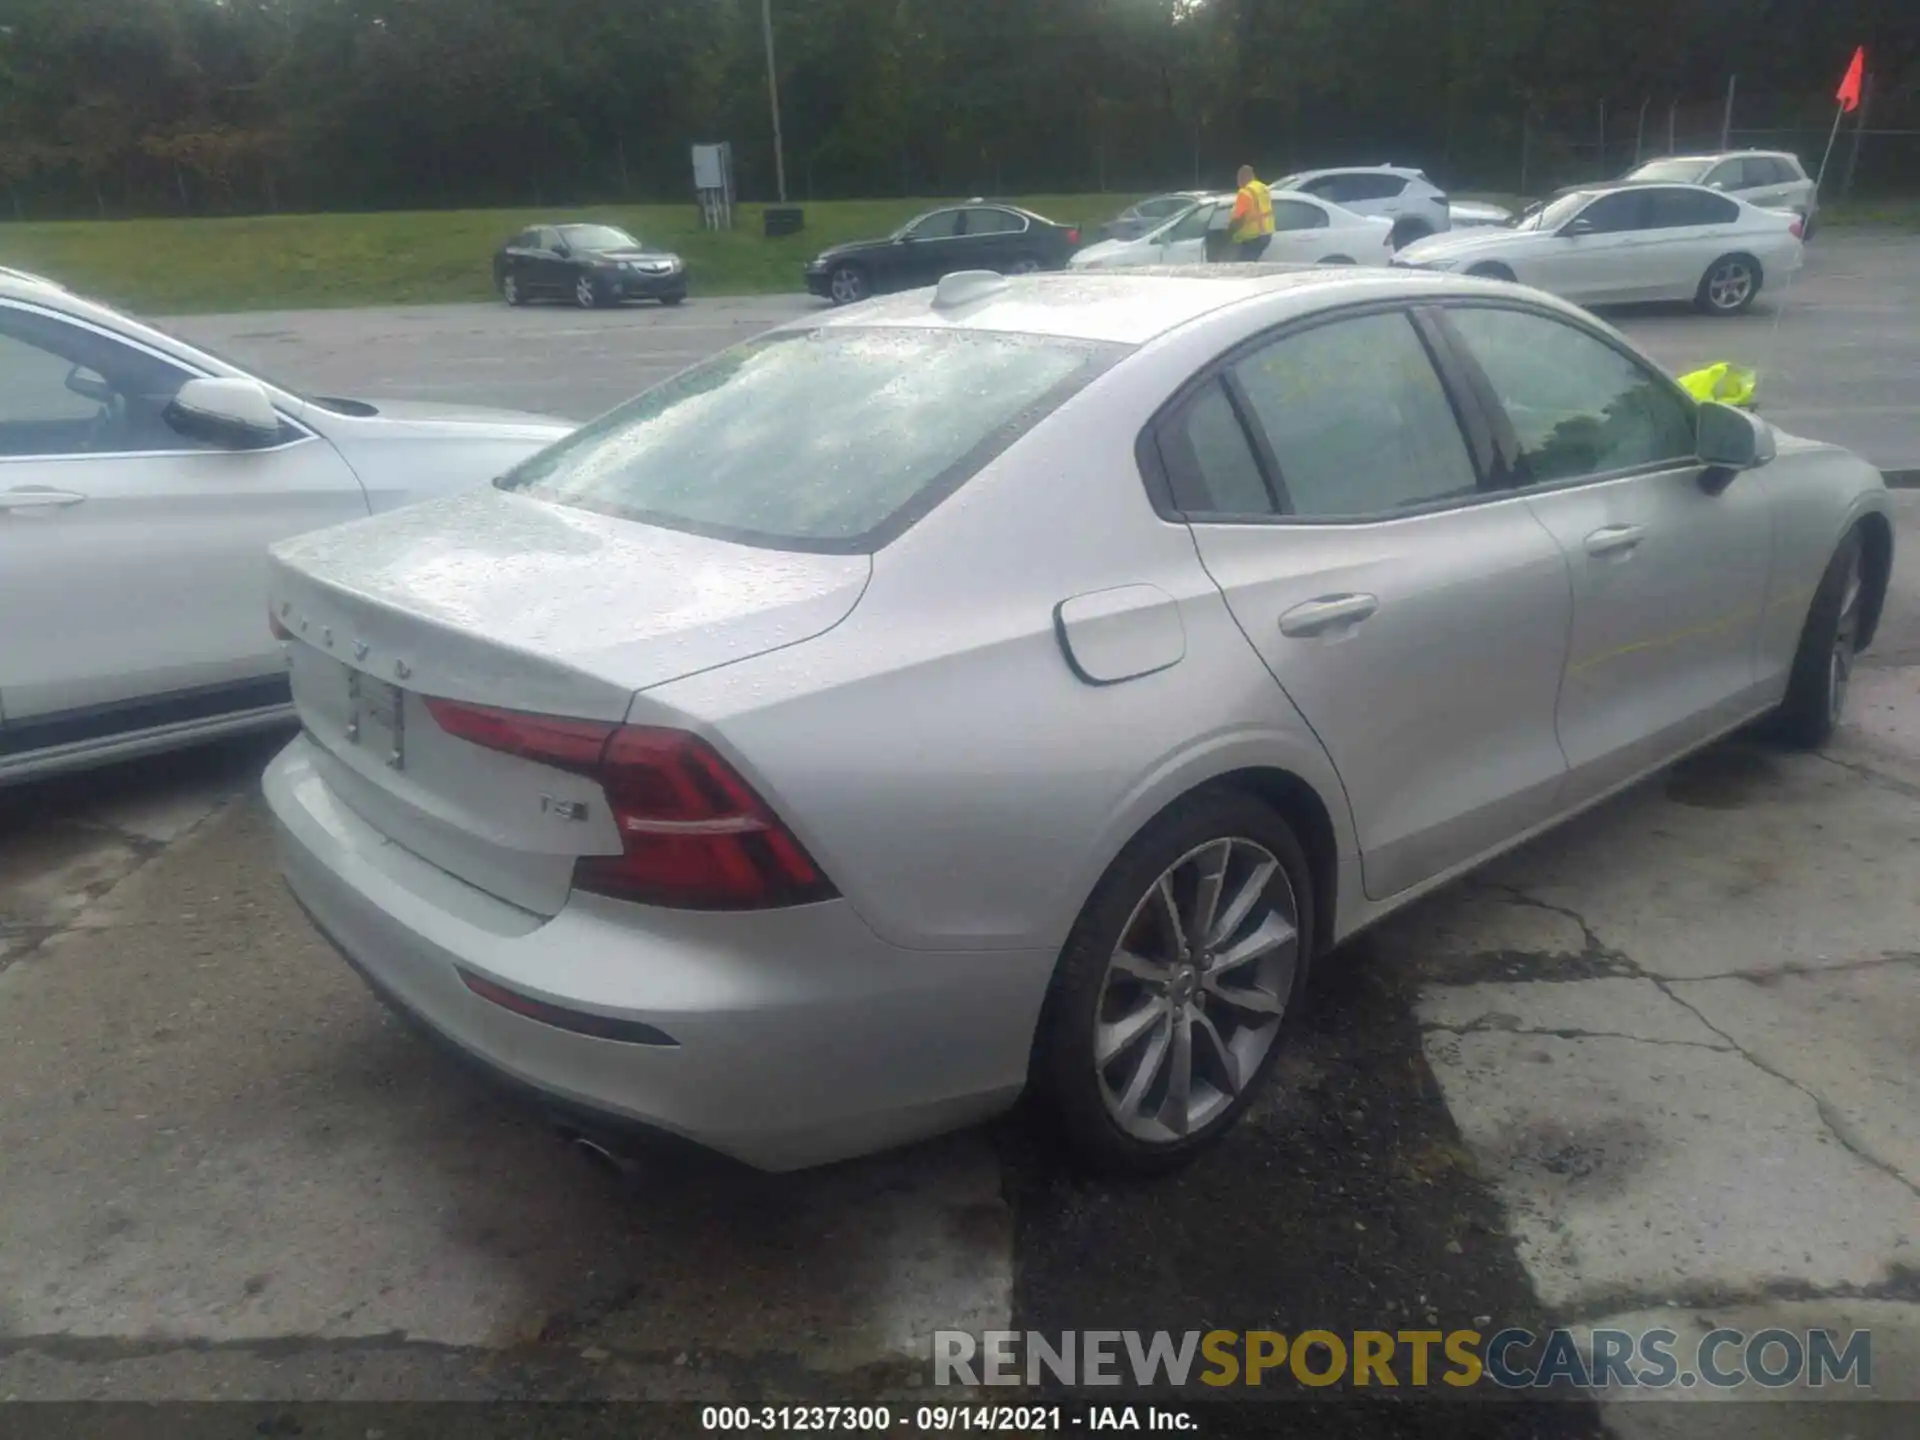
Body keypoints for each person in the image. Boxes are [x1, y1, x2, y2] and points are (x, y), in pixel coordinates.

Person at [1226, 165, 1275, 261]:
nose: (1238, 183)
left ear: (1243, 177)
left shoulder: (1244, 192)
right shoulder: (1263, 188)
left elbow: (1238, 219)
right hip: (1267, 233)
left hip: (1252, 236)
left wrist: (1228, 234)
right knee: (1252, 261)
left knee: (1244, 265)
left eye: (1238, 179)